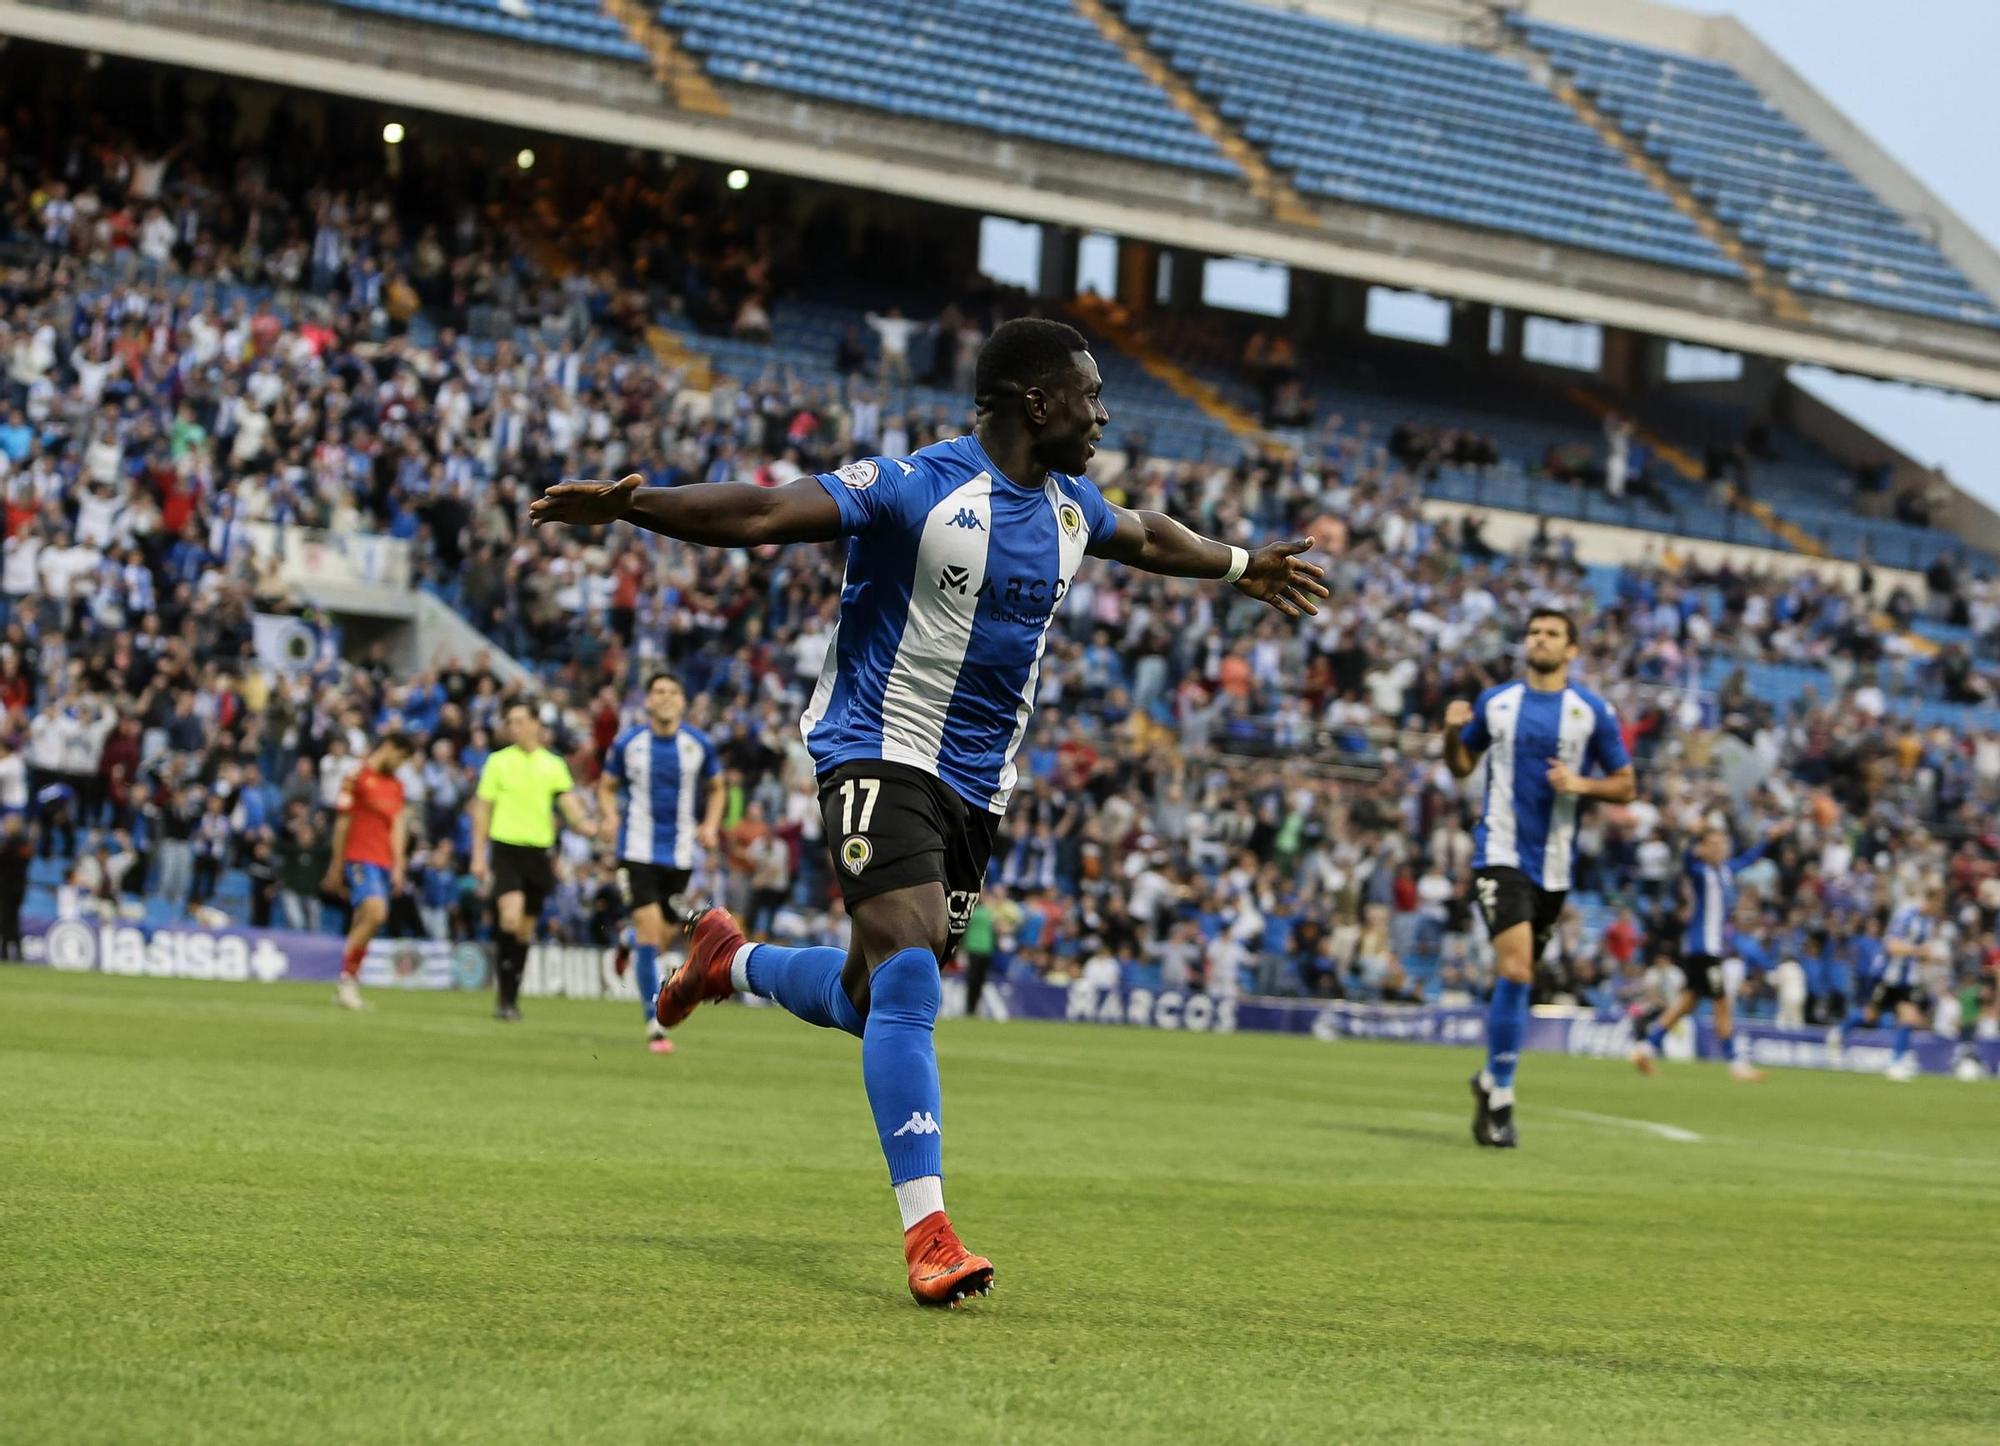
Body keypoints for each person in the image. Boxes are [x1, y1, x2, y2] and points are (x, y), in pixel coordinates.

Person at [530, 317, 1326, 1308]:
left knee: (871, 999)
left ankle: (726, 962)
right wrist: (637, 506)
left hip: (976, 790)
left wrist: (1240, 565)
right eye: (1087, 393)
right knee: (909, 974)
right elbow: (765, 514)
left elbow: (1150, 535)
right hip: (875, 746)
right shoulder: (917, 486)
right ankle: (929, 1233)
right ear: (1036, 402)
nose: (1103, 412)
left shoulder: (1071, 508)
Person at [1443, 609, 1636, 1150]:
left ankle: (1488, 1078)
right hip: (1498, 850)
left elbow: (1625, 786)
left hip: (1554, 865)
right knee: (1518, 966)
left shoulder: (1591, 712)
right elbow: (1461, 766)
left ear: (1572, 650)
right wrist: (1449, 733)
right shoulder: (1497, 703)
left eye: (1552, 634)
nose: (1541, 640)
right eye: (1534, 632)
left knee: (1519, 980)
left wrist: (1580, 784)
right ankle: (1502, 1098)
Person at [597, 673, 724, 1053]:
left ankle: (625, 940)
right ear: (648, 702)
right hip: (635, 850)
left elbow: (718, 787)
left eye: (672, 691)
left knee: (664, 935)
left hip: (680, 854)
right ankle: (654, 1022)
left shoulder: (698, 744)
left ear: (682, 701)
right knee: (651, 933)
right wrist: (608, 815)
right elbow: (606, 785)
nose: (665, 698)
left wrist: (712, 824)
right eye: (657, 692)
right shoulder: (629, 743)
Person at [1630, 820, 1789, 1081]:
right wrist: (1692, 840)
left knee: (1688, 1001)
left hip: (1706, 949)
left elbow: (1750, 858)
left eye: (1722, 843)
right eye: (1713, 844)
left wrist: (1769, 839)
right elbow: (1685, 862)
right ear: (1702, 849)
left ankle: (1645, 1047)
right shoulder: (1700, 872)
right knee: (1722, 1002)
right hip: (1703, 948)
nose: (1720, 848)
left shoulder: (1726, 871)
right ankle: (1736, 1063)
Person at [471, 701, 596, 1021]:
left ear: (535, 724)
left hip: (538, 852)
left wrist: (588, 826)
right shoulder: (498, 762)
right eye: (510, 721)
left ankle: (510, 999)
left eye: (519, 720)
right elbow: (482, 809)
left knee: (525, 931)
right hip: (506, 848)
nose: (513, 726)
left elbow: (568, 803)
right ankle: (503, 998)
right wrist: (477, 854)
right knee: (509, 919)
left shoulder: (553, 764)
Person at [323, 731, 416, 1010]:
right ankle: (347, 979)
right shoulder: (356, 777)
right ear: (388, 747)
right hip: (358, 857)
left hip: (384, 863)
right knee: (377, 913)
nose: (400, 765)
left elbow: (397, 826)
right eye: (400, 758)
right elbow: (342, 823)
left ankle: (347, 983)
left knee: (365, 919)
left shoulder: (396, 786)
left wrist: (399, 865)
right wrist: (336, 865)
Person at [1829, 889, 1942, 1081]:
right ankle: (1838, 1033)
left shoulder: (1928, 923)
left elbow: (1918, 954)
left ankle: (1896, 1063)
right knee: (1871, 1015)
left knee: (1909, 1017)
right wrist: (1918, 951)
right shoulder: (1907, 916)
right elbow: (1891, 946)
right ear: (1931, 900)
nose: (1941, 908)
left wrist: (1931, 958)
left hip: (1906, 980)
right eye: (1939, 903)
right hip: (1887, 975)